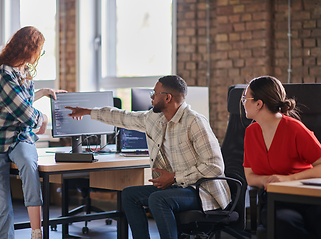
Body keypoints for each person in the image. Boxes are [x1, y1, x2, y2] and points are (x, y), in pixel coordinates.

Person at [65, 75, 231, 239]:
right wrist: (88, 112)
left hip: (201, 190)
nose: (151, 96)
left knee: (158, 199)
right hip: (177, 187)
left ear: (167, 97)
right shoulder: (155, 118)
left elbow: (214, 166)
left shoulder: (195, 122)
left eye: (155, 92)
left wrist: (174, 177)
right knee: (129, 195)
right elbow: (123, 117)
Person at [0, 26, 66, 239]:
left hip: (20, 138)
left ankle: (36, 232)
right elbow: (22, 111)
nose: (39, 55)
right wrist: (43, 118)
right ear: (29, 48)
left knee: (29, 164)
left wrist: (43, 92)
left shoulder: (23, 71)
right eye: (40, 50)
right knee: (2, 206)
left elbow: (21, 100)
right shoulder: (4, 73)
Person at [242, 76, 321, 239]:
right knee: (284, 222)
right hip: (274, 201)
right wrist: (265, 181)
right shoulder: (251, 133)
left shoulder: (294, 129)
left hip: (305, 197)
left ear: (259, 104)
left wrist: (289, 178)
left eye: (245, 98)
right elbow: (250, 177)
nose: (243, 102)